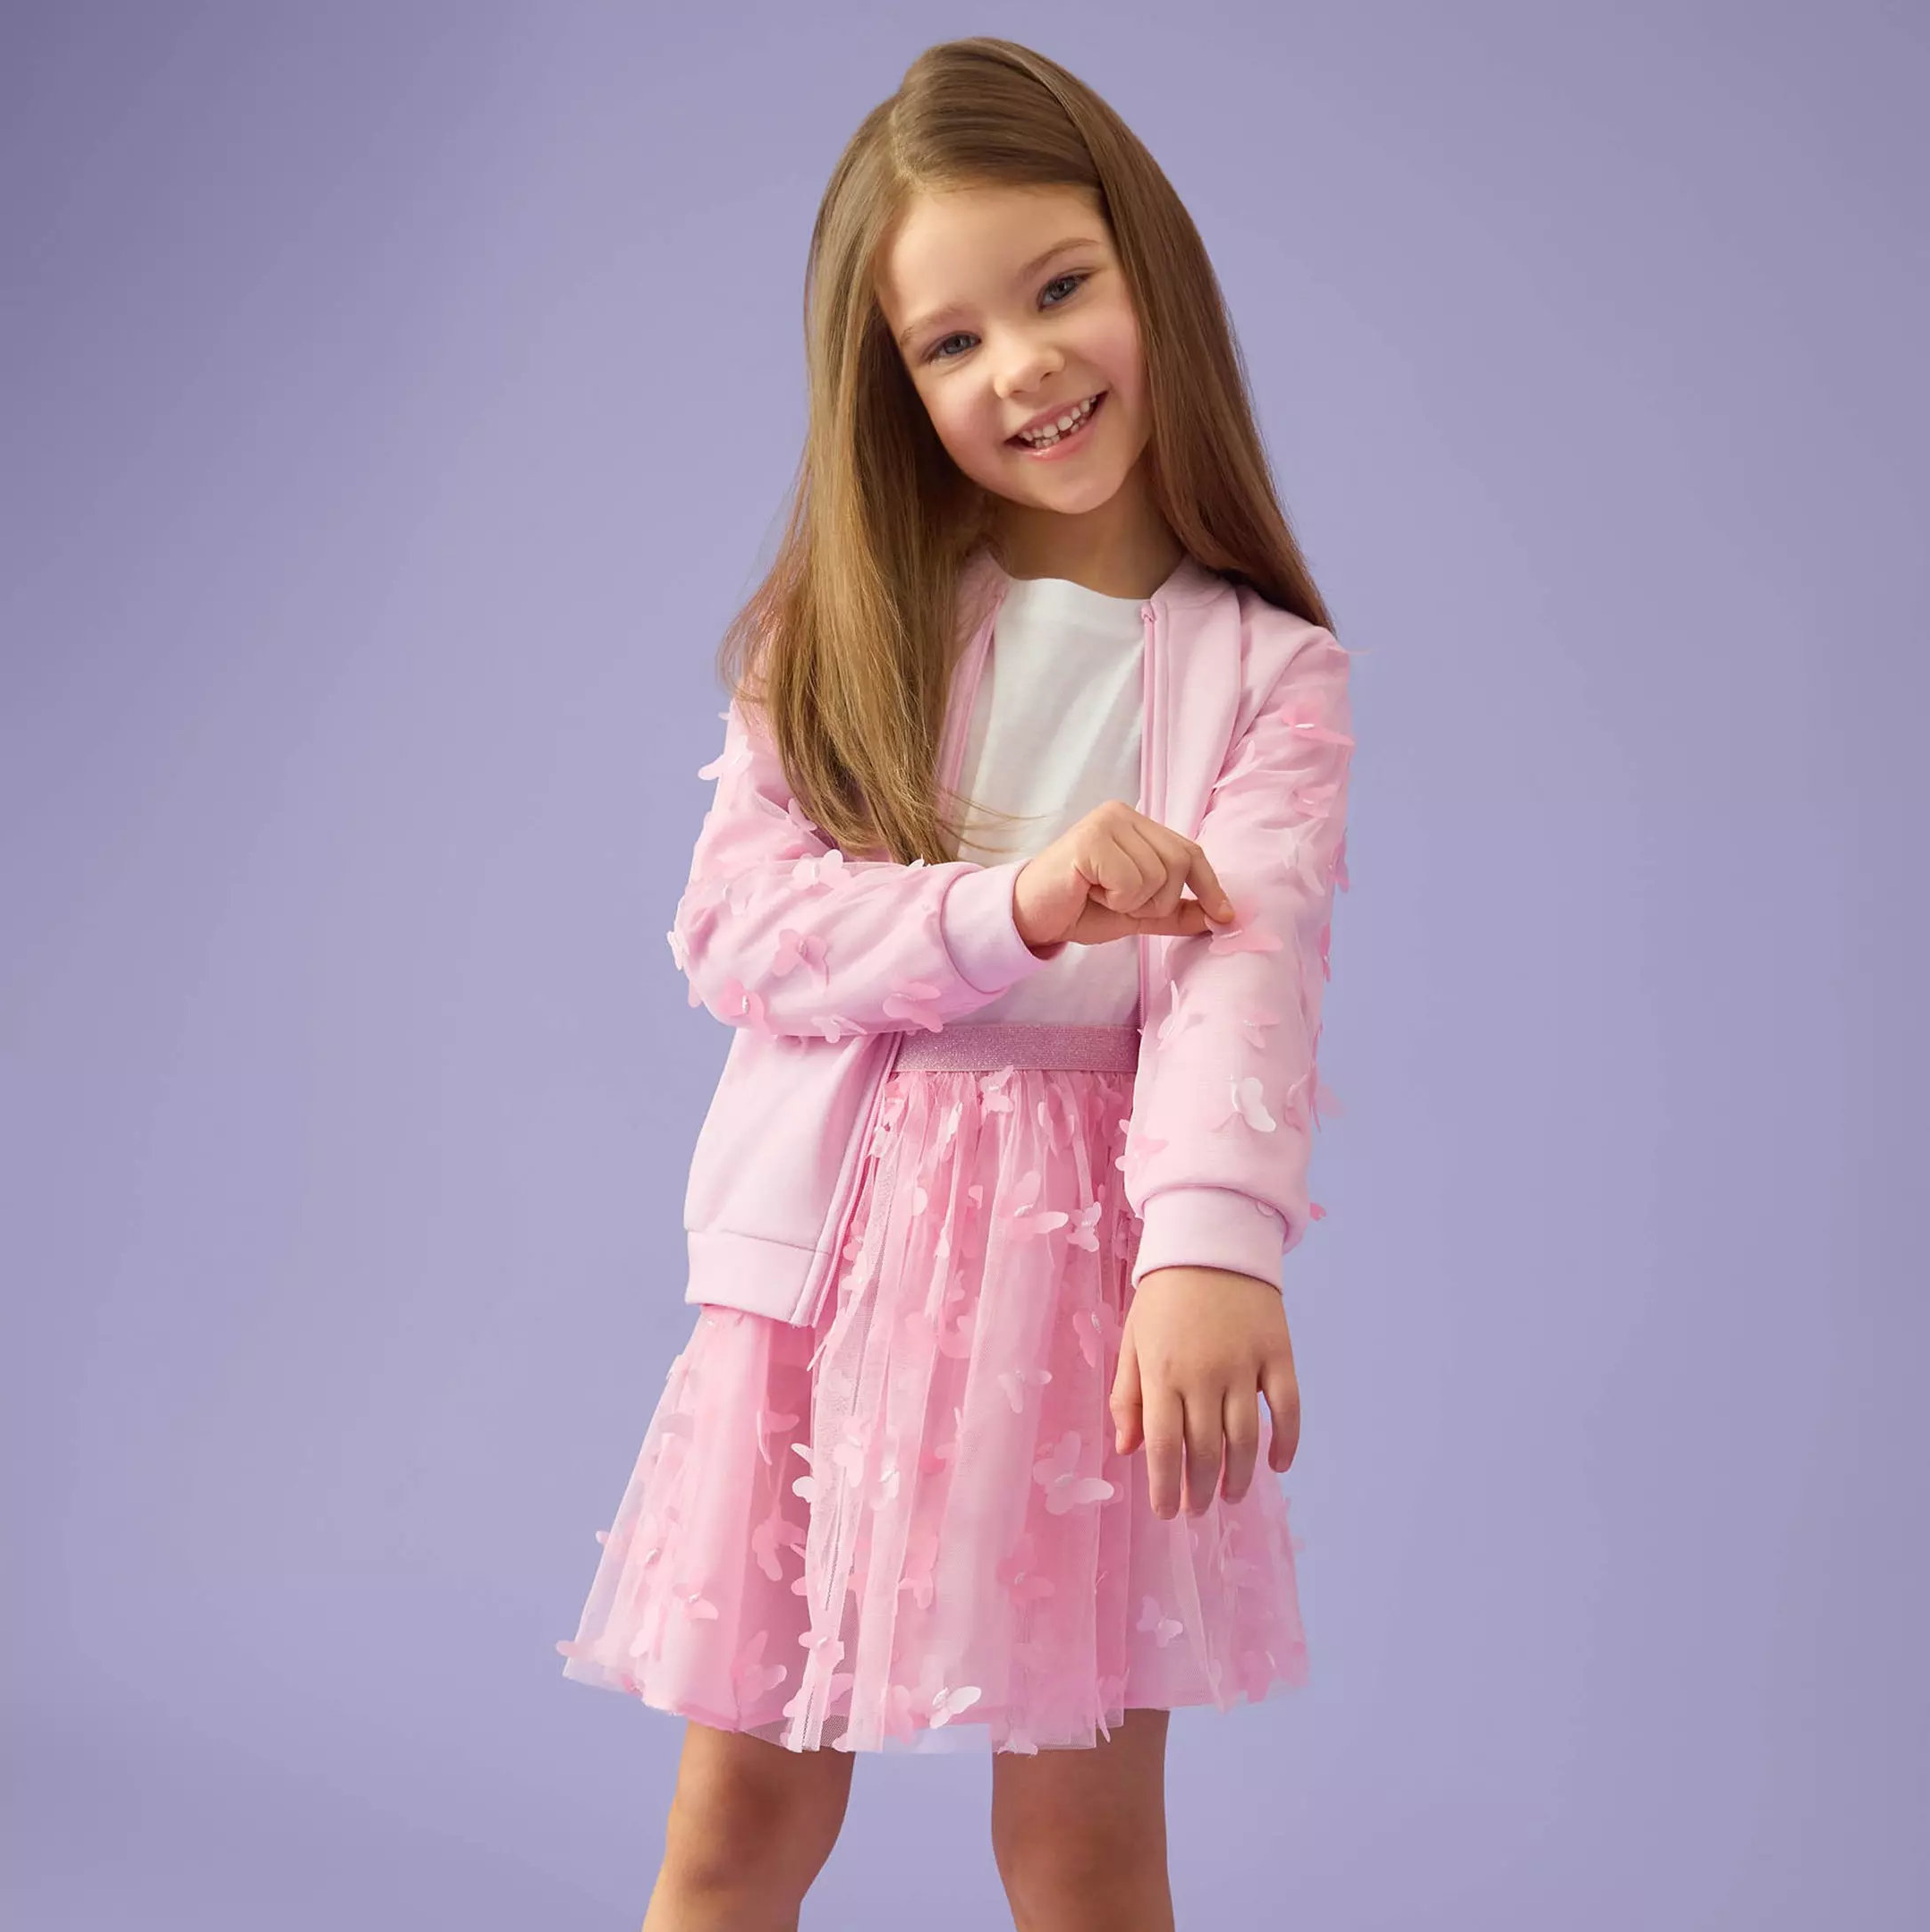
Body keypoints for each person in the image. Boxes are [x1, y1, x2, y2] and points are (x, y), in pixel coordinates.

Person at [556, 35, 1356, 1932]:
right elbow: (744, 934)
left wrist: (1210, 1255)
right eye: (951, 342)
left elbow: (1250, 975)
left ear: (1146, 265)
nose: (1027, 367)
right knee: (740, 1825)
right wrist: (1020, 906)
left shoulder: (1266, 677)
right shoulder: (851, 627)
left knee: (1082, 1849)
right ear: (892, 387)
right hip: (819, 1292)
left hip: (1082, 1305)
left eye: (1060, 288)